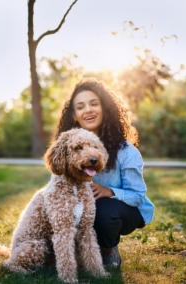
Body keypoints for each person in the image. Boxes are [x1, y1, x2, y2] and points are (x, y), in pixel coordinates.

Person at [54, 78, 155, 267]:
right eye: (81, 106)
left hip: (124, 209)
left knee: (103, 210)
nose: (88, 110)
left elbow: (138, 196)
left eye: (94, 104)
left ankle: (107, 252)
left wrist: (110, 191)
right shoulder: (67, 148)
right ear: (75, 116)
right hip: (85, 206)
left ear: (105, 109)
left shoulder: (127, 152)